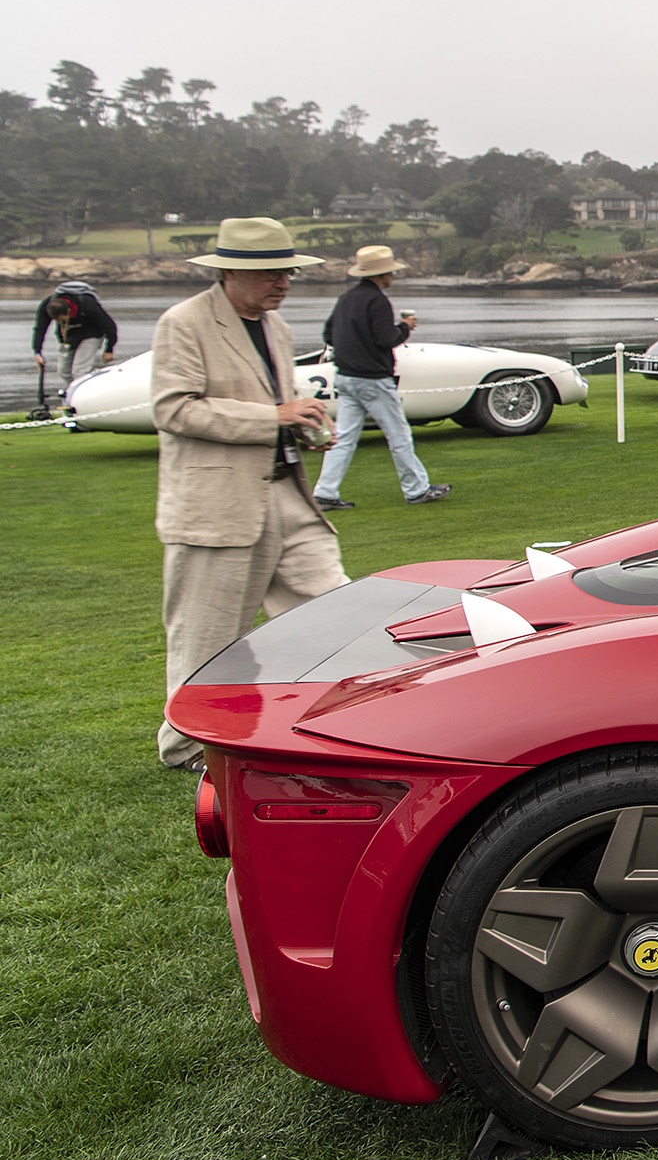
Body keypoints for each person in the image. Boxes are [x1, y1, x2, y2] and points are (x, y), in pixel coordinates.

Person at [151, 218, 349, 769]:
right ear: (230, 271)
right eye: (269, 272)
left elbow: (276, 406)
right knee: (209, 634)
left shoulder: (277, 328)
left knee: (340, 611)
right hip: (217, 507)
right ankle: (186, 745)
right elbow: (174, 409)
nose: (282, 282)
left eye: (287, 270)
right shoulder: (183, 323)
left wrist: (300, 425)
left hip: (289, 498)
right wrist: (272, 416)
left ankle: (336, 727)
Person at [311, 245, 449, 509]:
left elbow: (328, 335)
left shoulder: (346, 299)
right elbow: (386, 339)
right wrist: (404, 328)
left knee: (344, 437)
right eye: (390, 273)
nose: (392, 277)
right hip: (373, 379)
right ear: (382, 274)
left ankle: (325, 492)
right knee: (399, 435)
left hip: (346, 377)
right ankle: (416, 489)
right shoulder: (378, 301)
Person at [31, 283, 119, 408]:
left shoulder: (87, 304)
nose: (60, 322)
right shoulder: (47, 305)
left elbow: (110, 326)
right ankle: (73, 399)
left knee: (79, 371)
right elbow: (39, 329)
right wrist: (37, 352)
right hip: (68, 337)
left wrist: (109, 349)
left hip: (91, 334)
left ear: (69, 311)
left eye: (62, 320)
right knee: (63, 371)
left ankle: (85, 404)